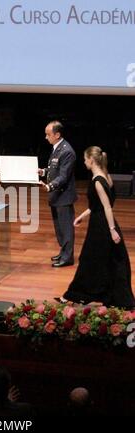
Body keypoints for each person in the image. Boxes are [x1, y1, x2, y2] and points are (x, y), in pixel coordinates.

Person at [57, 146, 135, 308]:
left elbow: (107, 207)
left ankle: (74, 295)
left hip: (101, 227)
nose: (84, 162)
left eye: (85, 159)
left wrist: (112, 230)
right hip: (103, 223)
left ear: (91, 160)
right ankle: (106, 295)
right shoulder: (106, 177)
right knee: (108, 261)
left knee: (89, 260)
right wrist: (81, 216)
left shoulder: (97, 181)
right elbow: (96, 206)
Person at [39, 121, 77, 267]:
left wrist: (49, 186)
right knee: (59, 227)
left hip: (64, 196)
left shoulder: (67, 151)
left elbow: (63, 176)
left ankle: (68, 258)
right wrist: (43, 172)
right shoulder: (58, 148)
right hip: (56, 196)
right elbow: (54, 169)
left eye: (48, 134)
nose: (46, 137)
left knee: (66, 227)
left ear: (57, 134)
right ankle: (63, 252)